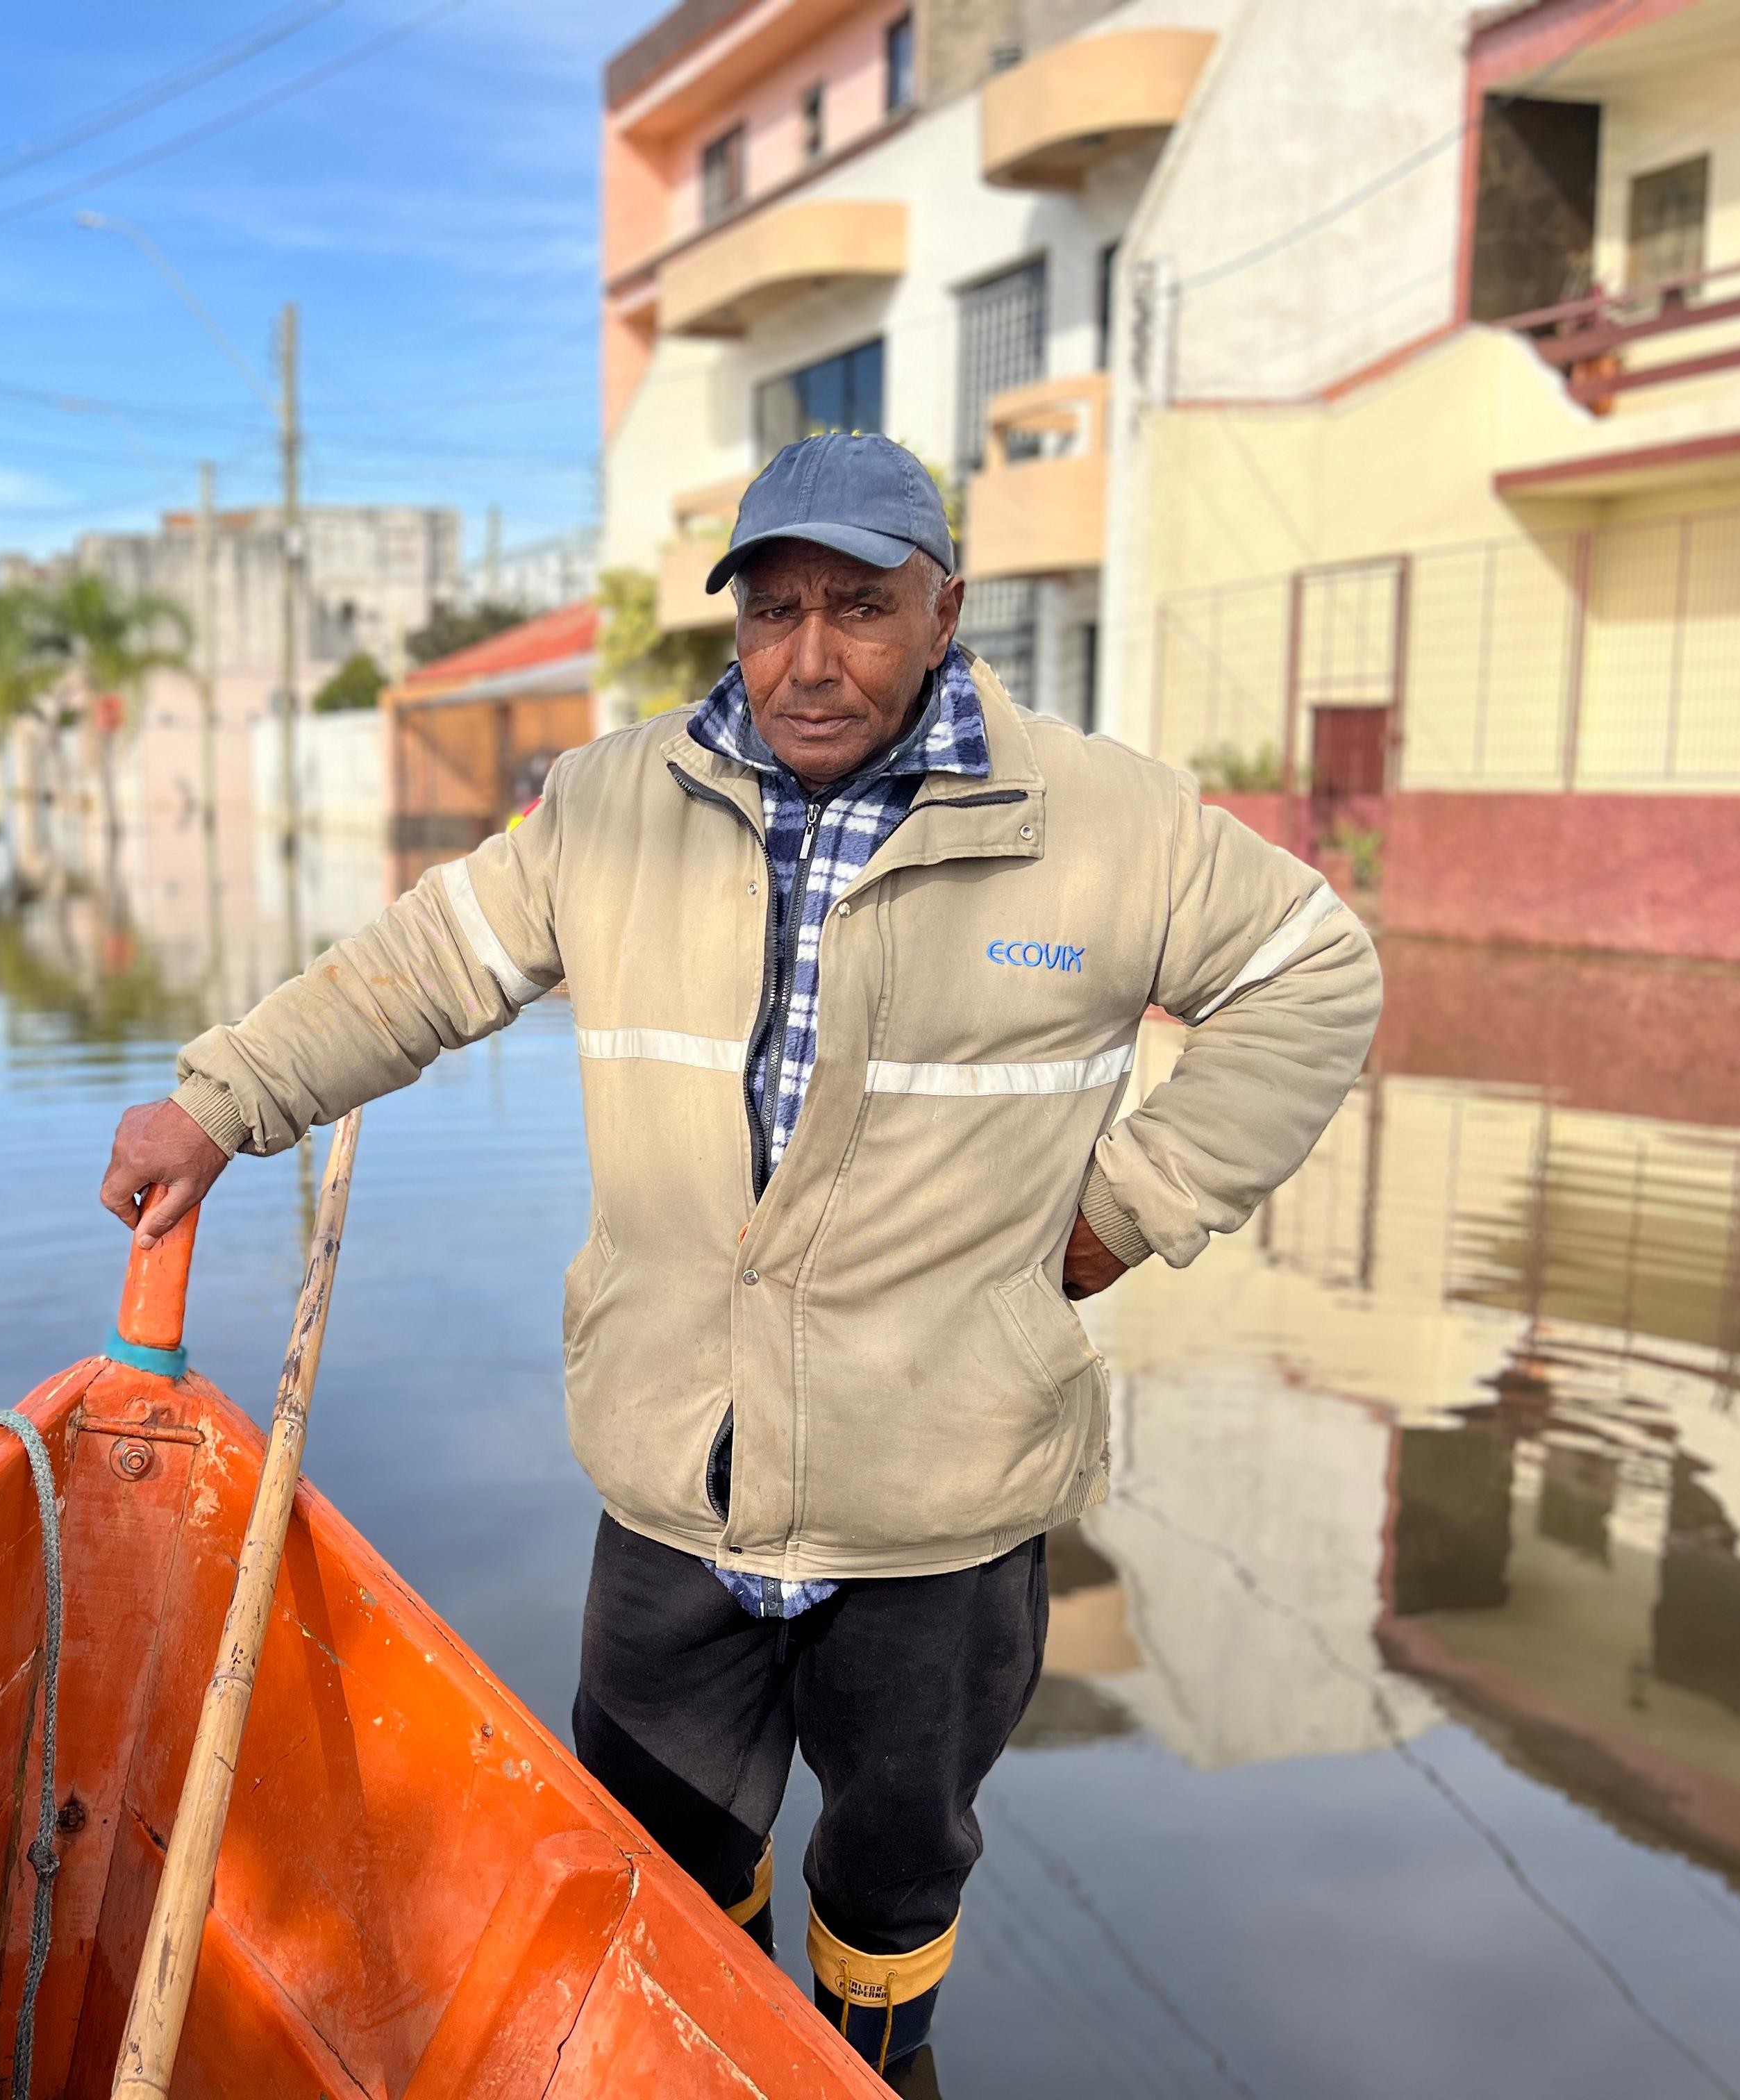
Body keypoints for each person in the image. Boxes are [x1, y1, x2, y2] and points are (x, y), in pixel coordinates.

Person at [99, 433, 1380, 2084]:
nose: (810, 659)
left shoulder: (1107, 823)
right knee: (663, 1856)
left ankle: (867, 2069)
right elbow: (423, 968)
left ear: (945, 613)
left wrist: (1129, 1207)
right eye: (774, 611)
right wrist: (220, 1104)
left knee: (896, 1874)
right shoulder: (615, 805)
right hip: (675, 1479)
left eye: (860, 607)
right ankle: (710, 2049)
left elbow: (1314, 972)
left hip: (939, 1488)